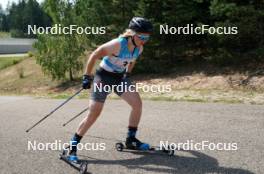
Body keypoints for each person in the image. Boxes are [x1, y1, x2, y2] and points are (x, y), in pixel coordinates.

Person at [67, 17, 153, 161]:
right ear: (132, 33)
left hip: (119, 78)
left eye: (147, 37)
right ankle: (72, 147)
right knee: (94, 113)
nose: (144, 40)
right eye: (141, 36)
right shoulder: (117, 44)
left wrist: (128, 73)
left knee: (137, 104)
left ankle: (131, 139)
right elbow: (94, 54)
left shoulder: (140, 47)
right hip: (103, 77)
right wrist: (87, 76)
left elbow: (132, 61)